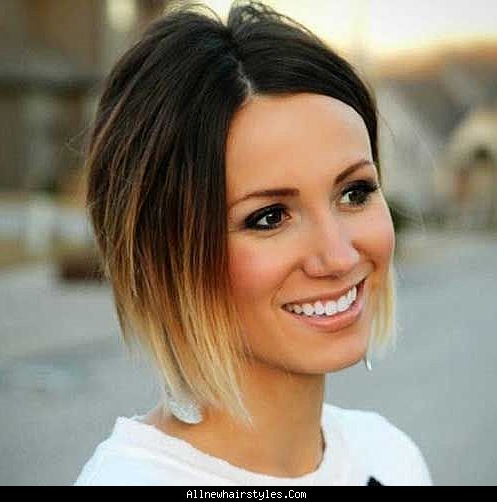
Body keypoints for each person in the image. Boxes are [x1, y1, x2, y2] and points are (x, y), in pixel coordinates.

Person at [74, 0, 433, 486]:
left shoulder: (390, 456)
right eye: (269, 217)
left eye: (355, 192)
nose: (340, 256)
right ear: (161, 254)